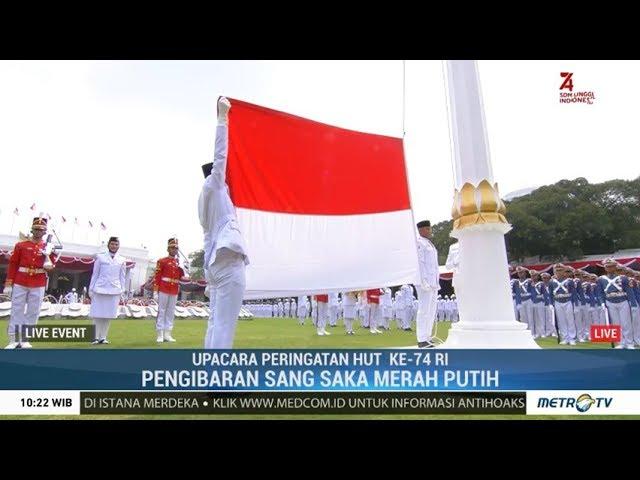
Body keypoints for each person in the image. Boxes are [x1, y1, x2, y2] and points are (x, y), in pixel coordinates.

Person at [199, 96, 249, 349]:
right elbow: (220, 155)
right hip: (227, 262)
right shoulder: (214, 186)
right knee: (224, 324)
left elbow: (207, 238)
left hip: (215, 263)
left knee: (215, 322)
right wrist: (222, 119)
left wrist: (208, 273)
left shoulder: (206, 199)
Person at [3, 216, 57, 349]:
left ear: (45, 232)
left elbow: (52, 264)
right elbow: (13, 264)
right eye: (36, 229)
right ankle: (13, 340)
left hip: (38, 282)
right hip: (21, 280)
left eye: (41, 230)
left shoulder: (49, 247)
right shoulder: (21, 245)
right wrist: (9, 283)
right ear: (32, 230)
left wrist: (49, 262)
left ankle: (25, 339)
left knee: (33, 311)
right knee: (17, 310)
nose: (38, 231)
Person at [88, 236, 128, 345]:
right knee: (97, 314)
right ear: (108, 245)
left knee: (108, 315)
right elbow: (95, 274)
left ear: (118, 246)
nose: (114, 246)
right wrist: (91, 289)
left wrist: (122, 291)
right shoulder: (100, 257)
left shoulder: (122, 259)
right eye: (112, 244)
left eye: (116, 244)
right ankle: (95, 337)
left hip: (114, 289)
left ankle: (103, 337)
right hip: (100, 288)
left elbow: (122, 277)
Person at [153, 237, 190, 343]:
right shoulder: (162, 261)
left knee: (170, 312)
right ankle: (160, 334)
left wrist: (184, 269)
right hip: (164, 288)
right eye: (172, 248)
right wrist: (155, 291)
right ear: (168, 249)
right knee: (162, 311)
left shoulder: (179, 263)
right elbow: (157, 276)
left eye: (176, 248)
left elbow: (183, 277)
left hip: (174, 289)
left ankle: (167, 334)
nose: (174, 250)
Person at [415, 220, 439, 348]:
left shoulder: (429, 243)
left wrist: (435, 281)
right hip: (424, 282)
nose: (430, 231)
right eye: (428, 229)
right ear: (421, 230)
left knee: (431, 310)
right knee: (424, 310)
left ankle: (427, 336)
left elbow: (433, 266)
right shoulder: (419, 243)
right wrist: (423, 281)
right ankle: (421, 339)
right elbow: (420, 264)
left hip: (433, 282)